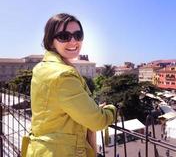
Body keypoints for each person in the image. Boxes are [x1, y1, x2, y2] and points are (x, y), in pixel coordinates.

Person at [23, 13, 116, 157]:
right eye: (64, 36)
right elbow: (97, 121)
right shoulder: (63, 75)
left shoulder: (41, 67)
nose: (73, 41)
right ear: (50, 40)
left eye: (78, 35)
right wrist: (112, 110)